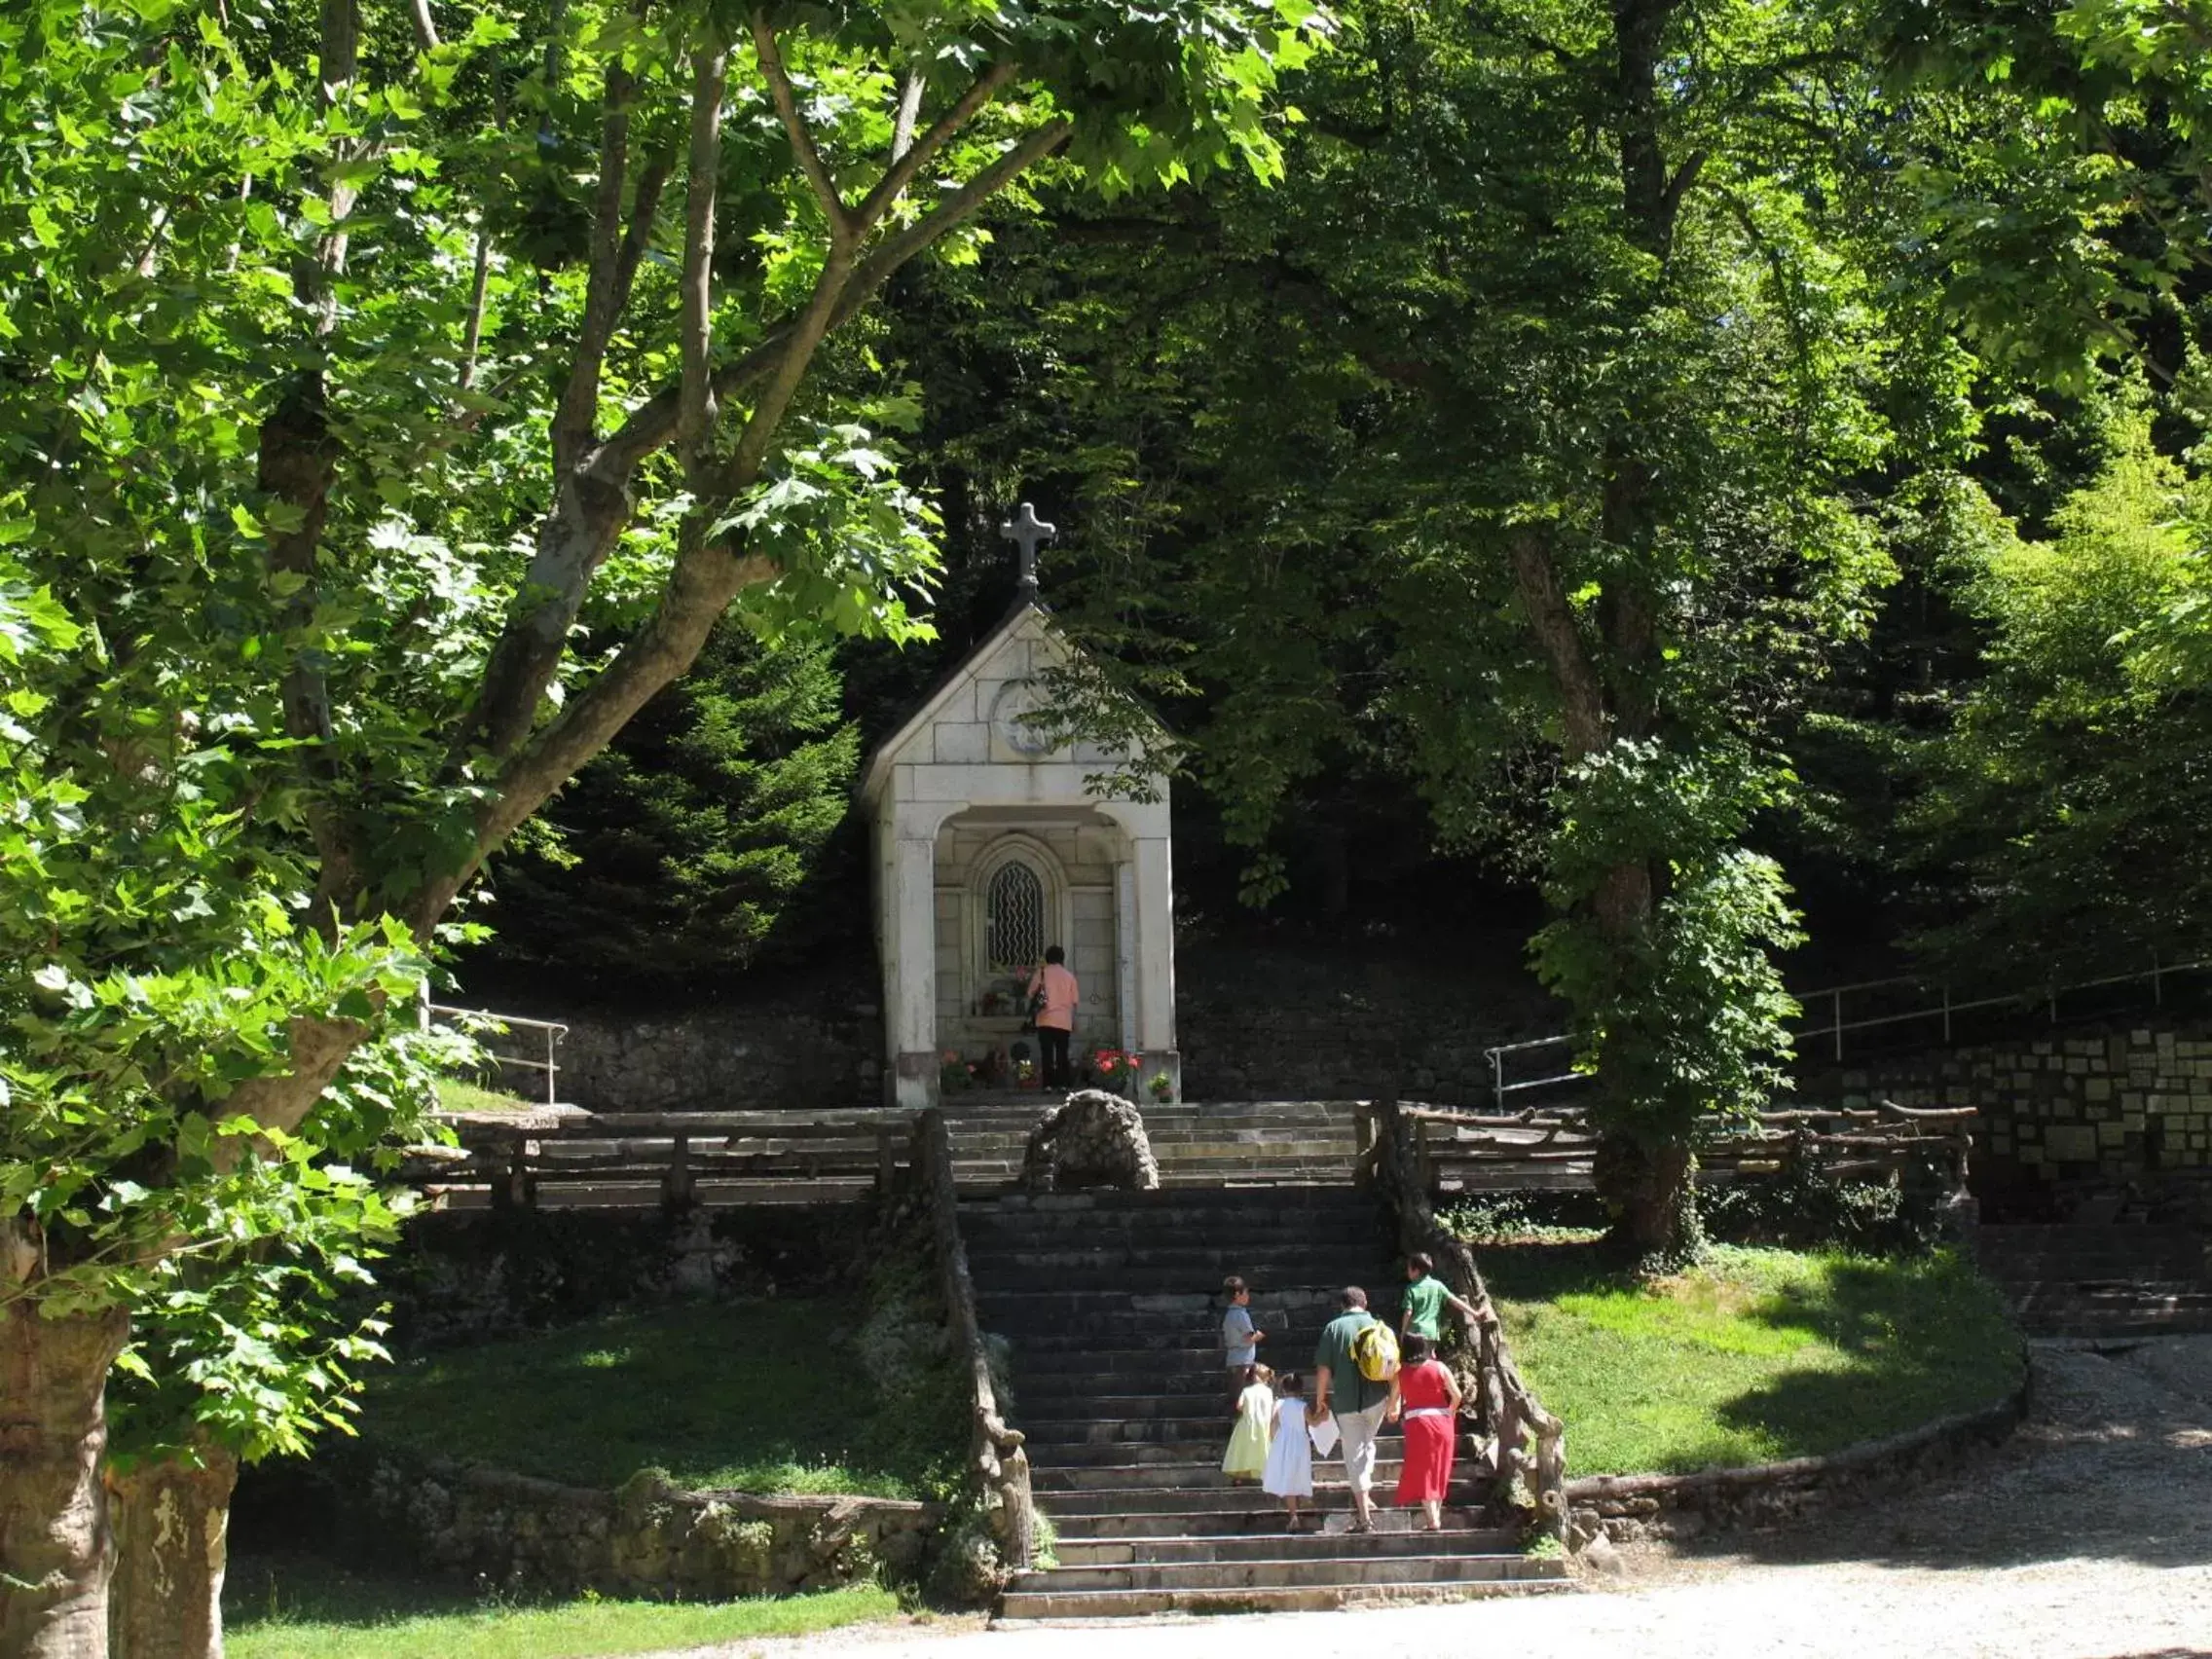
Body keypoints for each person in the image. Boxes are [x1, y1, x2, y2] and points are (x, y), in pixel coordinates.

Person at [1311, 1285, 1393, 1532]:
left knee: (1354, 1454)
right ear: (1364, 1302)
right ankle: (1365, 1493)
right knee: (1368, 1446)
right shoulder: (1380, 1326)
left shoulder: (1334, 1328)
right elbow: (1394, 1364)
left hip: (1346, 1402)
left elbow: (1324, 1369)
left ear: (1342, 1305)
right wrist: (1396, 1398)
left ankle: (1365, 1518)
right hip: (1377, 1399)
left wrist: (1320, 1399)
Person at [1388, 1334, 1463, 1530]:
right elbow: (1457, 1395)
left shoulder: (1401, 1373)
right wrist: (1450, 1413)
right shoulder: (1440, 1367)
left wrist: (1393, 1412)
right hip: (1443, 1422)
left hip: (1418, 1424)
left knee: (1424, 1471)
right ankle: (1435, 1516)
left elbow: (1393, 1402)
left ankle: (1432, 1519)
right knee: (1440, 1468)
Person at [1262, 1370, 1315, 1531]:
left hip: (1283, 1442)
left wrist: (1272, 1440)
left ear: (1284, 1389)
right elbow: (1312, 1422)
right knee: (1297, 1473)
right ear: (1300, 1389)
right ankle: (1295, 1514)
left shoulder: (1278, 1404)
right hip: (1299, 1442)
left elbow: (1272, 1423)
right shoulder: (1303, 1406)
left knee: (1287, 1476)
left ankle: (1293, 1515)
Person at [1400, 1252, 1484, 1346]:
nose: (1407, 1272)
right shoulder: (1438, 1286)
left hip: (1414, 1334)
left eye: (1409, 1269)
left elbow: (1408, 1312)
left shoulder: (1411, 1288)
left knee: (1414, 1360)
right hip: (1432, 1333)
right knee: (1429, 1359)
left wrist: (1403, 1333)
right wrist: (1475, 1313)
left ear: (1416, 1271)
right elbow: (1455, 1301)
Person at [1024, 945, 1079, 1089]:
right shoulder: (1069, 976)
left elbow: (1030, 993)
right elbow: (1074, 1000)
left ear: (1047, 958)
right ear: (1062, 958)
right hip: (1063, 1020)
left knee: (1046, 1054)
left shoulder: (1041, 973)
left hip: (1045, 1019)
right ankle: (1063, 1084)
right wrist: (1074, 1020)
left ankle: (1048, 1085)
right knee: (1062, 1053)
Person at [1223, 1363, 1273, 1483]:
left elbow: (1239, 1406)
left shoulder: (1247, 1390)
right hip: (1264, 1424)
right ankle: (1264, 1475)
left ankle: (1239, 1478)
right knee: (1262, 1449)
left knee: (1242, 1450)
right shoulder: (1268, 1392)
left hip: (1247, 1424)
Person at [1221, 1274, 1265, 1403]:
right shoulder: (1241, 1315)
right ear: (1237, 1295)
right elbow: (1249, 1338)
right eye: (1245, 1293)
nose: (1248, 1296)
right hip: (1243, 1361)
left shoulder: (1228, 1315)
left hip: (1232, 1359)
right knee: (1242, 1399)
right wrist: (1259, 1335)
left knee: (1234, 1396)